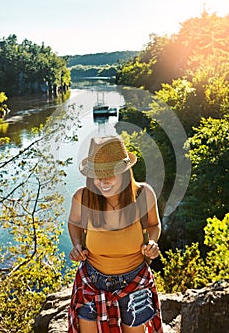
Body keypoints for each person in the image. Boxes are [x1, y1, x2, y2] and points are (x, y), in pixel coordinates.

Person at [68, 136, 163, 333]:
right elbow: (74, 223)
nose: (103, 180)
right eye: (97, 174)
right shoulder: (83, 197)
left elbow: (154, 225)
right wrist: (77, 244)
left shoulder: (143, 195)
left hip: (135, 280)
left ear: (125, 171)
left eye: (110, 172)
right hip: (92, 281)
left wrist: (152, 242)